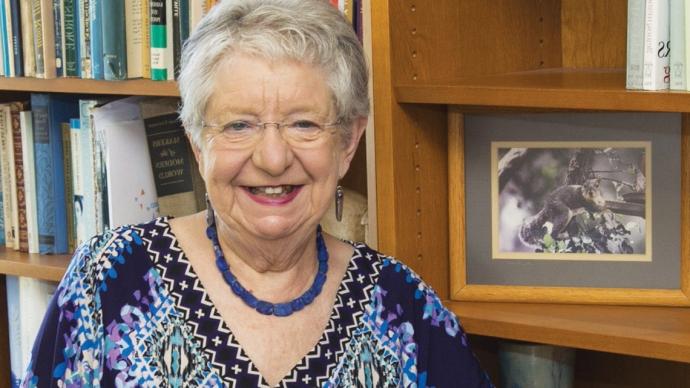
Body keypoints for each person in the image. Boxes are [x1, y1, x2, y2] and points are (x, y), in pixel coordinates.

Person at [23, 0, 493, 386]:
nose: (272, 158)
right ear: (197, 144)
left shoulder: (404, 305)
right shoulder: (105, 279)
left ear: (348, 142)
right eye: (239, 125)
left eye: (304, 124)